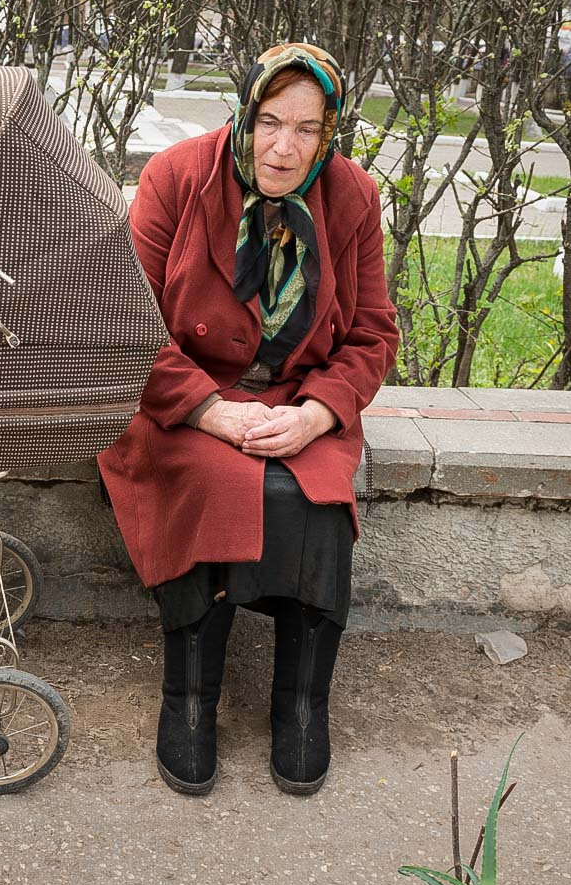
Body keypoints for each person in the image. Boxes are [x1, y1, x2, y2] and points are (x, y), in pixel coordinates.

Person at [98, 42, 398, 799]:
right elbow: (129, 324)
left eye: (305, 128)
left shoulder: (352, 196)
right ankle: (189, 700)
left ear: (328, 132)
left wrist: (320, 415)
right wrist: (211, 411)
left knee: (314, 498)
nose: (283, 147)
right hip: (181, 399)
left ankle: (303, 705)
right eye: (270, 122)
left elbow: (371, 334)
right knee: (219, 485)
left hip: (300, 397)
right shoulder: (177, 177)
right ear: (246, 114)